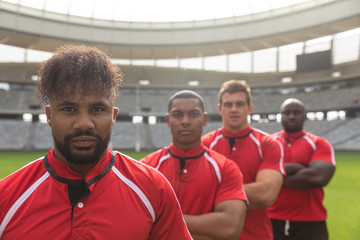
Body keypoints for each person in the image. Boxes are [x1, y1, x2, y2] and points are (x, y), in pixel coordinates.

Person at [0, 45, 192, 240]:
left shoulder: (153, 188)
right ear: (49, 116)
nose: (84, 123)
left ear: (113, 115)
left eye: (97, 109)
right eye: (68, 109)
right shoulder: (6, 197)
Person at [141, 90, 248, 240]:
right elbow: (135, 224)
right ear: (168, 119)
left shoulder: (225, 168)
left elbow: (229, 228)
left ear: (204, 119)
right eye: (178, 115)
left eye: (193, 114)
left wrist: (162, 222)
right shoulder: (146, 168)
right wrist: (208, 229)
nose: (185, 121)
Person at [202, 80, 285, 240]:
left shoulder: (268, 144)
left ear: (249, 108)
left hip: (257, 236)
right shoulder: (204, 145)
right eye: (228, 104)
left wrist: (212, 193)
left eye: (239, 104)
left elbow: (266, 194)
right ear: (220, 109)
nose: (234, 109)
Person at [268, 98, 336, 240]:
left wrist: (274, 177)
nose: (291, 116)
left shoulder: (319, 143)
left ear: (304, 115)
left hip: (310, 220)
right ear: (280, 116)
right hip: (271, 218)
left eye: (296, 112)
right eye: (287, 113)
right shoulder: (267, 144)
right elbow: (256, 174)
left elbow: (318, 177)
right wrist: (297, 168)